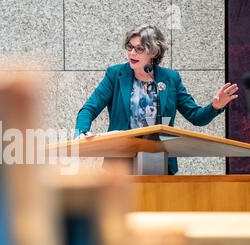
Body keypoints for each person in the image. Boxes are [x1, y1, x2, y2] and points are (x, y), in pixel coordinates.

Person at [74, 24, 239, 175]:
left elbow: (196, 116)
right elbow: (90, 108)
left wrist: (215, 106)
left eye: (139, 49)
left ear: (153, 52)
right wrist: (81, 132)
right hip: (120, 163)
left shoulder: (170, 79)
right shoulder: (116, 75)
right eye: (129, 47)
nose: (132, 53)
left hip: (159, 160)